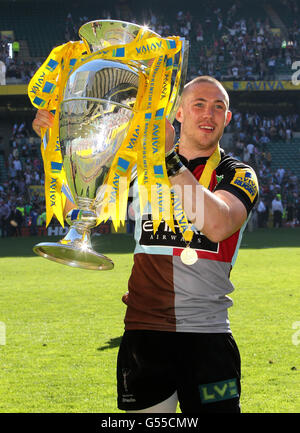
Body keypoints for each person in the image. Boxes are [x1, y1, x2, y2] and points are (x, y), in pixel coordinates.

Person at [32, 76, 259, 413]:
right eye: (198, 105)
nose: (208, 114)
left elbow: (217, 224)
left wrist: (167, 156)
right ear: (179, 112)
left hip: (208, 338)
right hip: (145, 335)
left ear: (227, 119)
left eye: (218, 107)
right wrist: (56, 149)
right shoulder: (137, 171)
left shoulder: (237, 174)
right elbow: (79, 212)